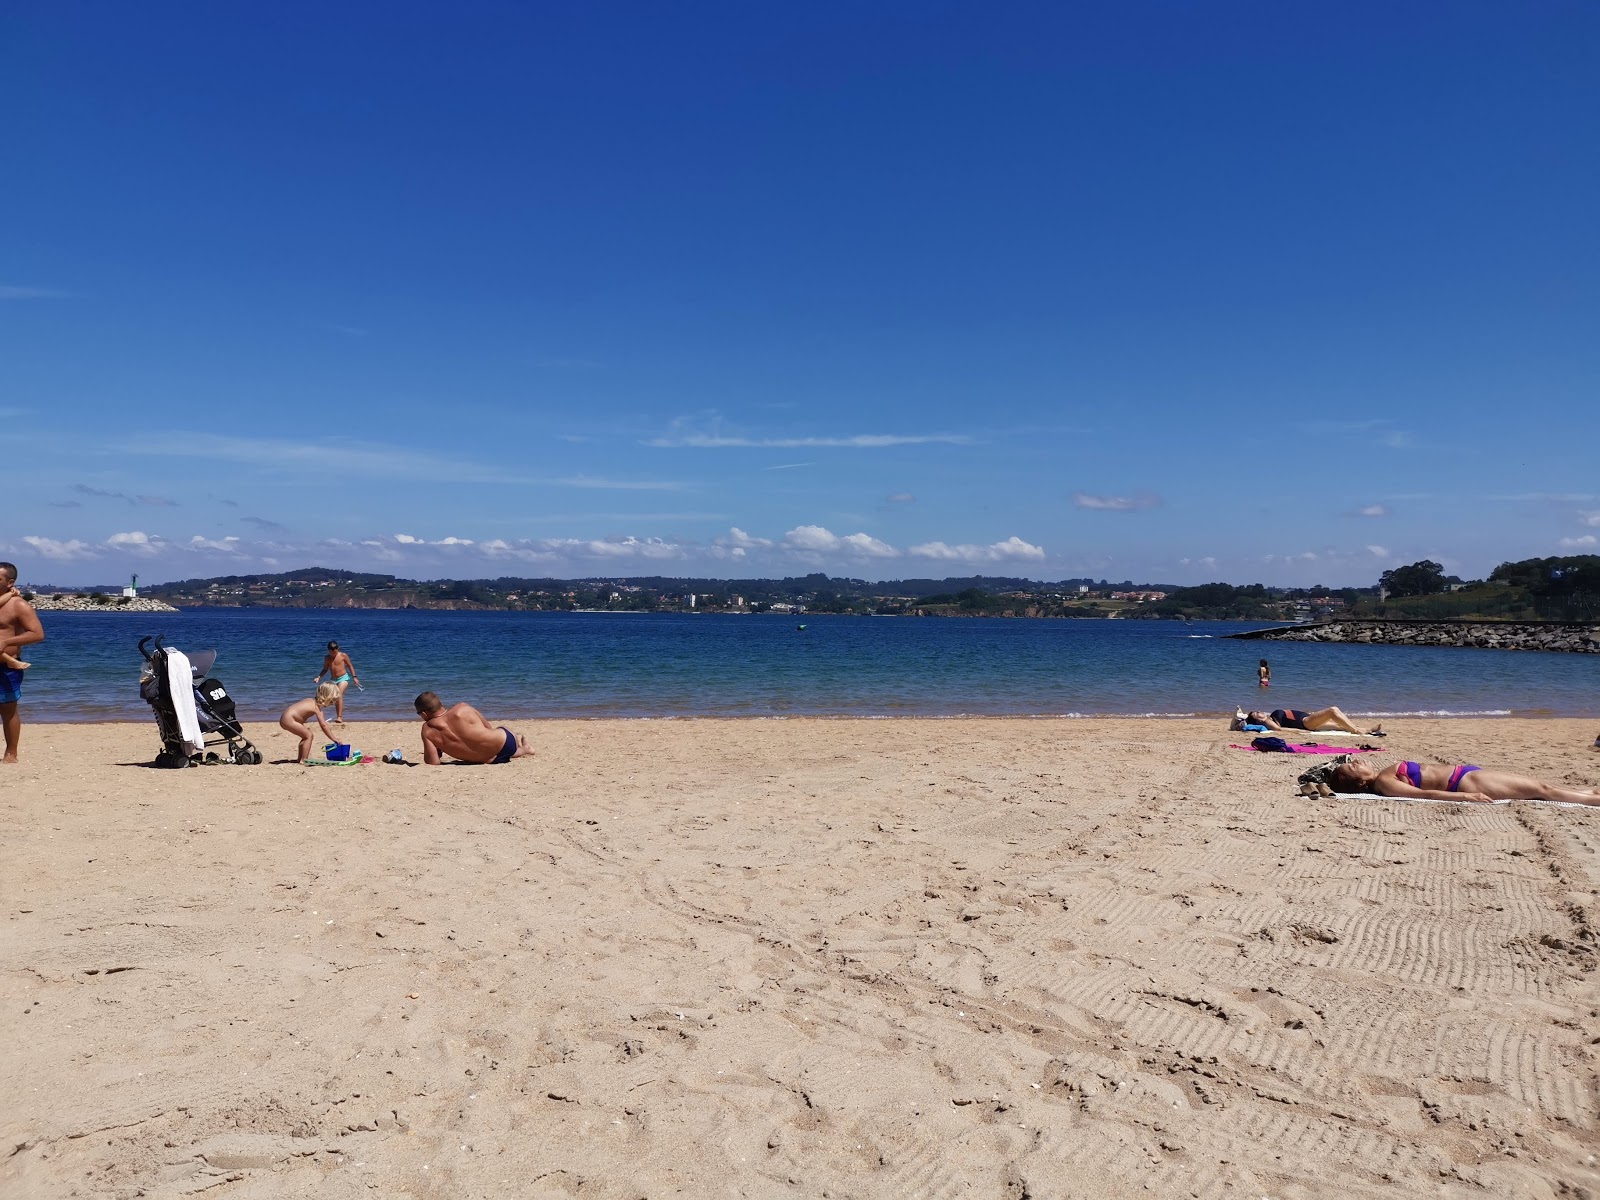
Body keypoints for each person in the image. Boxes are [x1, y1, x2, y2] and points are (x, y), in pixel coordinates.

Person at [1303, 755, 1600, 807]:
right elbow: (1423, 796)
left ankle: (1582, 792)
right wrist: (1466, 798)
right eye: (1354, 766)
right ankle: (1592, 799)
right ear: (1359, 782)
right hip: (1466, 784)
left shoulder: (1382, 775)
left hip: (1466, 774)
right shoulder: (1384, 784)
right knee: (1541, 790)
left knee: (1540, 788)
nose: (1357, 761)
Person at [0, 563, 46, 764]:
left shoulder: (19, 605)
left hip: (5, 668)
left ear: (10, 582)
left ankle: (11, 753)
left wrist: (7, 642)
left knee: (8, 709)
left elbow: (37, 634)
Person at [414, 691, 533, 765]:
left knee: (486, 753)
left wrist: (440, 748)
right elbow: (488, 727)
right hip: (507, 743)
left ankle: (526, 749)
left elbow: (433, 762)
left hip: (489, 760)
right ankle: (525, 749)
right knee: (500, 729)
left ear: (424, 714)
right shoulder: (462, 707)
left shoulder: (427, 730)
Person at [279, 683, 343, 763]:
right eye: (332, 701)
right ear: (326, 697)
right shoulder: (317, 708)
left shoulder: (309, 700)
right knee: (309, 736)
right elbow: (323, 725)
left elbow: (299, 710)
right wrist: (333, 738)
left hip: (284, 718)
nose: (332, 704)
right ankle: (304, 759)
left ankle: (300, 759)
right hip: (289, 719)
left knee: (305, 736)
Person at [1237, 706, 1384, 736]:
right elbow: (1279, 730)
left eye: (1258, 711)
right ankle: (1358, 731)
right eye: (1257, 714)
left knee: (1340, 726)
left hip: (1308, 721)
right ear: (1258, 720)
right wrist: (1299, 731)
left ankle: (1366, 730)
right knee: (1333, 710)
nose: (1259, 712)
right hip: (1306, 722)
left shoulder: (1270, 717)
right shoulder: (1268, 722)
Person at [313, 641, 361, 724]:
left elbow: (350, 666)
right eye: (331, 652)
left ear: (338, 649)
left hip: (344, 678)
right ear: (328, 651)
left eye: (334, 652)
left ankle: (339, 717)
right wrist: (319, 677)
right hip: (333, 679)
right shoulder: (327, 658)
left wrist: (354, 677)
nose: (333, 654)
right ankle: (320, 713)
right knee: (331, 697)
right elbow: (325, 669)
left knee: (339, 694)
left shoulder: (343, 655)